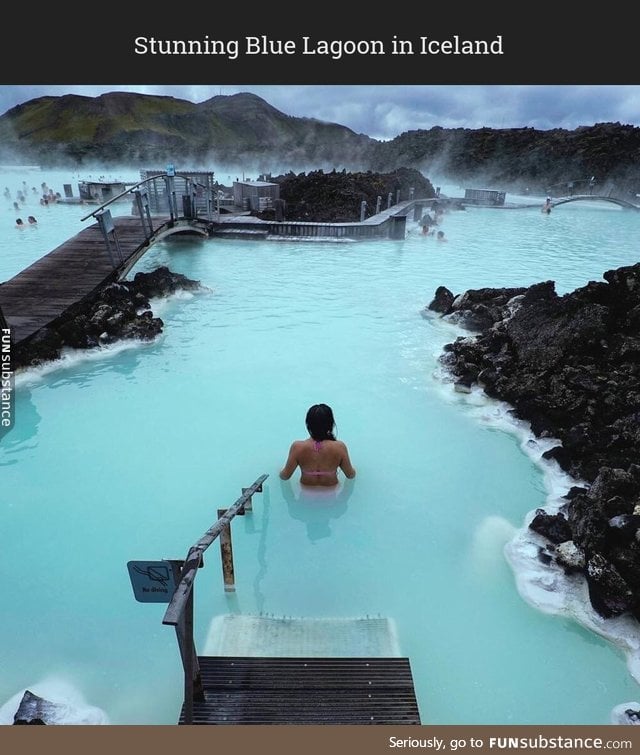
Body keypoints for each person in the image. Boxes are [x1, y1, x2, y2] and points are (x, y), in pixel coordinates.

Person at [280, 403, 356, 487]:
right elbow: (350, 475)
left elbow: (285, 476)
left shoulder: (297, 447)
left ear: (308, 424)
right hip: (331, 493)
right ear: (331, 424)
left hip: (306, 494)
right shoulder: (339, 447)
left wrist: (277, 472)